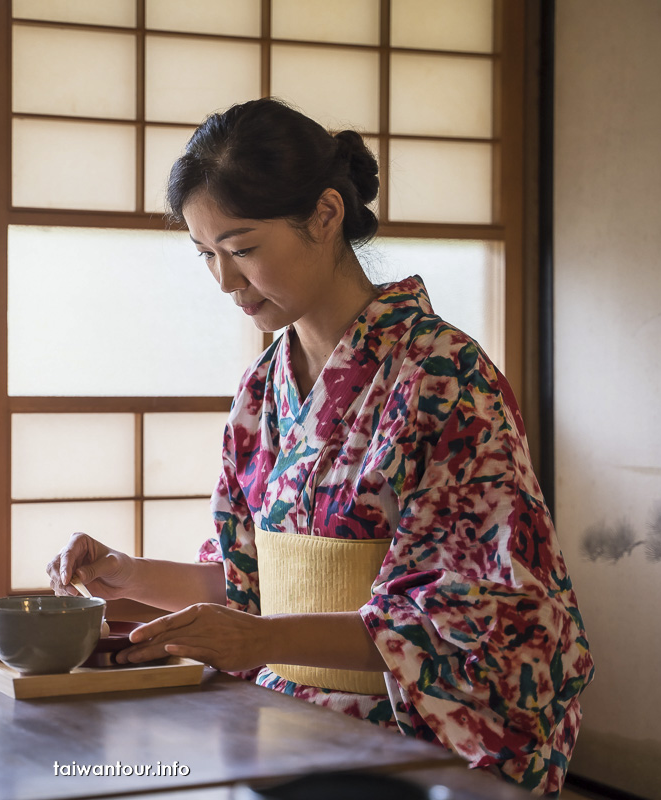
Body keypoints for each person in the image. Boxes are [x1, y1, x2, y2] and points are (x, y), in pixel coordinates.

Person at [46, 97, 593, 796]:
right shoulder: (262, 388)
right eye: (207, 255)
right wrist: (126, 575)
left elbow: (478, 620)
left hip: (408, 739)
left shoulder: (443, 375)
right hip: (283, 722)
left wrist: (263, 640)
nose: (225, 281)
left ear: (326, 214)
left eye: (242, 249)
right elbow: (250, 586)